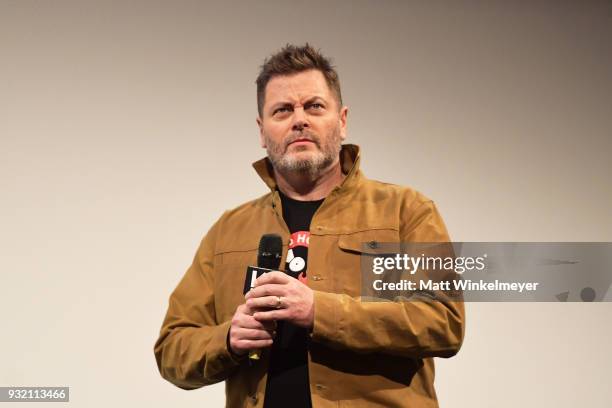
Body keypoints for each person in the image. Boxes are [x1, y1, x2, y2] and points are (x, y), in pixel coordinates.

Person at [154, 43, 465, 408]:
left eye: (314, 106)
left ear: (343, 120)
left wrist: (320, 311)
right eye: (282, 110)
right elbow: (172, 349)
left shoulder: (405, 212)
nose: (299, 119)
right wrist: (227, 339)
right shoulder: (228, 230)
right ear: (261, 130)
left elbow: (442, 321)